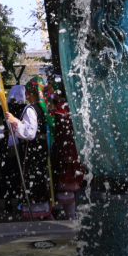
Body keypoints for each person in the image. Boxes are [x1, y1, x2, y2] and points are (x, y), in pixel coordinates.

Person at [7, 76, 55, 221]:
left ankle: (36, 215)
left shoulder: (31, 109)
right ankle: (46, 214)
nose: (26, 95)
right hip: (41, 149)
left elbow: (30, 133)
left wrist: (14, 121)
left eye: (28, 91)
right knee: (40, 179)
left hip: (32, 151)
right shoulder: (45, 108)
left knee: (32, 179)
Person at [47, 75, 83, 220]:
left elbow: (61, 132)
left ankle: (69, 219)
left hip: (64, 151)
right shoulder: (70, 106)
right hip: (70, 151)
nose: (49, 89)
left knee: (65, 185)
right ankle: (69, 218)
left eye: (51, 86)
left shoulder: (59, 108)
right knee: (65, 186)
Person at [0, 85, 28, 214]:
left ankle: (9, 201)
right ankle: (18, 201)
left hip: (9, 143)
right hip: (19, 142)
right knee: (18, 171)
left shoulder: (5, 107)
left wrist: (0, 130)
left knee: (7, 172)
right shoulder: (24, 108)